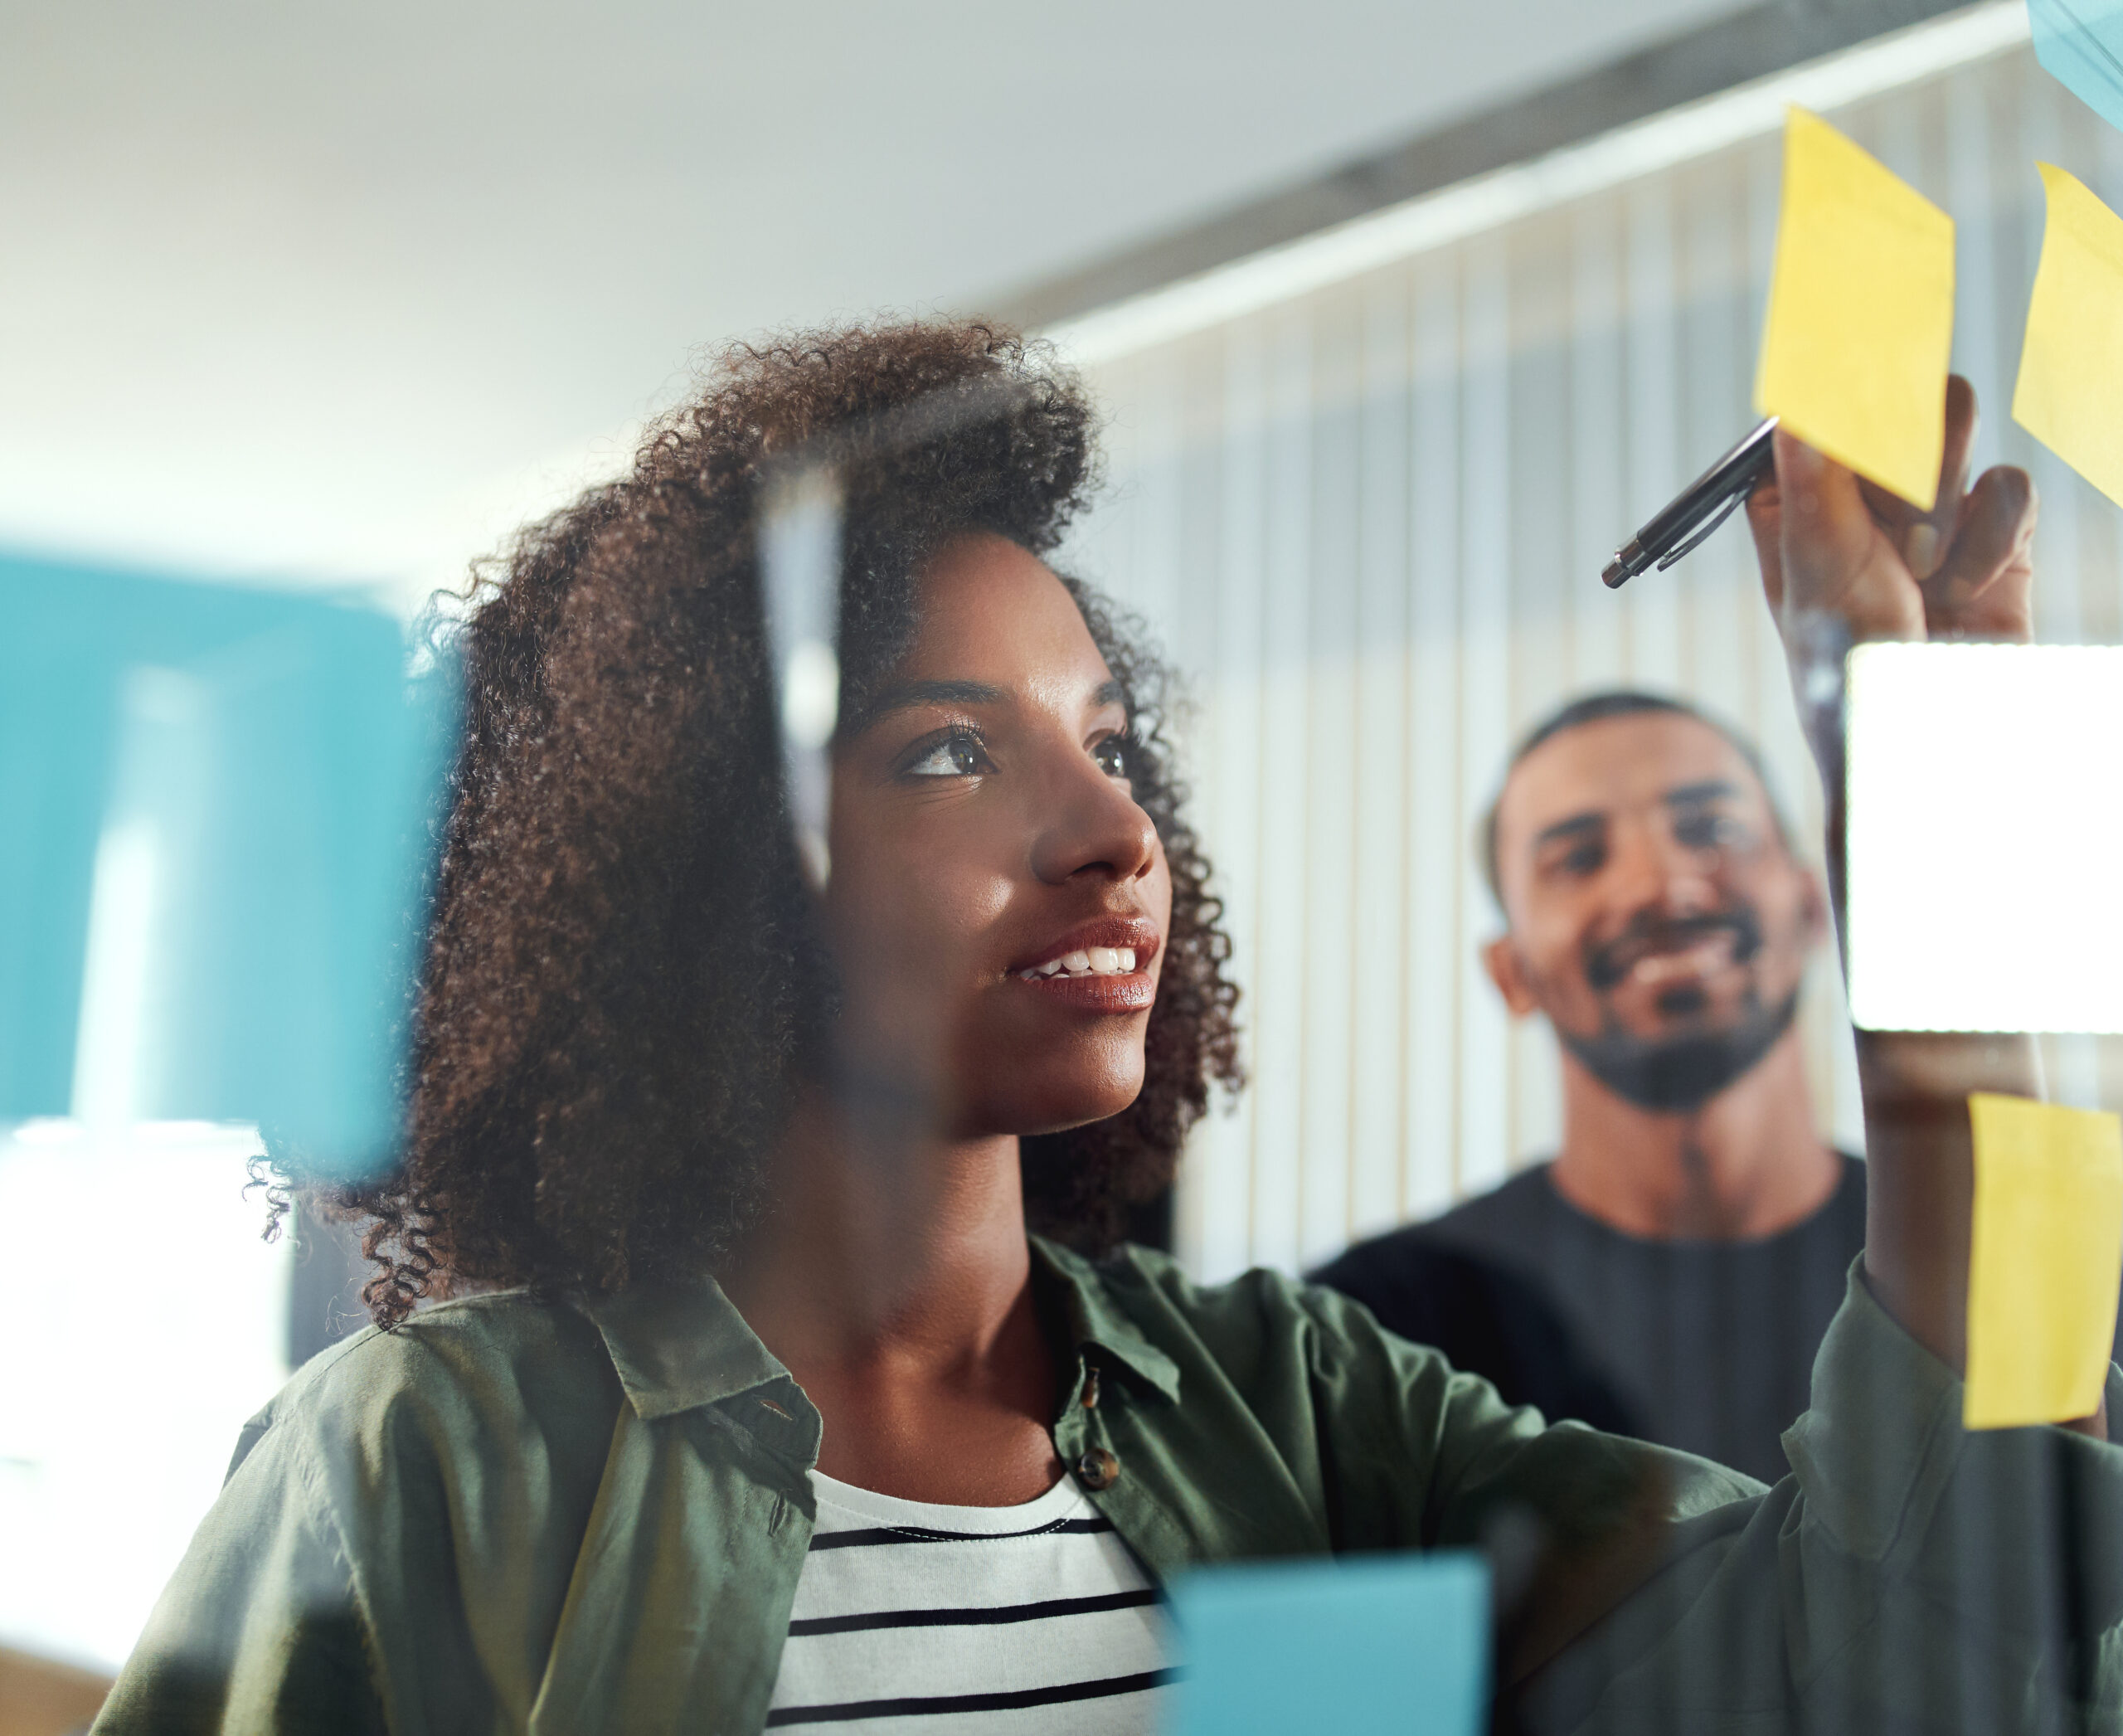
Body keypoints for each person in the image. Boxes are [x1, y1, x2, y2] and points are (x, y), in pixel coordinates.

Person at [90, 333, 2116, 1735]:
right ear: (707, 870)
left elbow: (1903, 1636)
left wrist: (1937, 767)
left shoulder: (1296, 1413)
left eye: (1110, 741)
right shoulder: (431, 1460)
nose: (1116, 836)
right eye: (951, 751)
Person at [1314, 692, 1864, 1484]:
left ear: (1813, 906)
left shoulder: (1991, 1263)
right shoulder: (1376, 1332)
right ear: (1512, 974)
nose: (1661, 886)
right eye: (1577, 858)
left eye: (1712, 827)